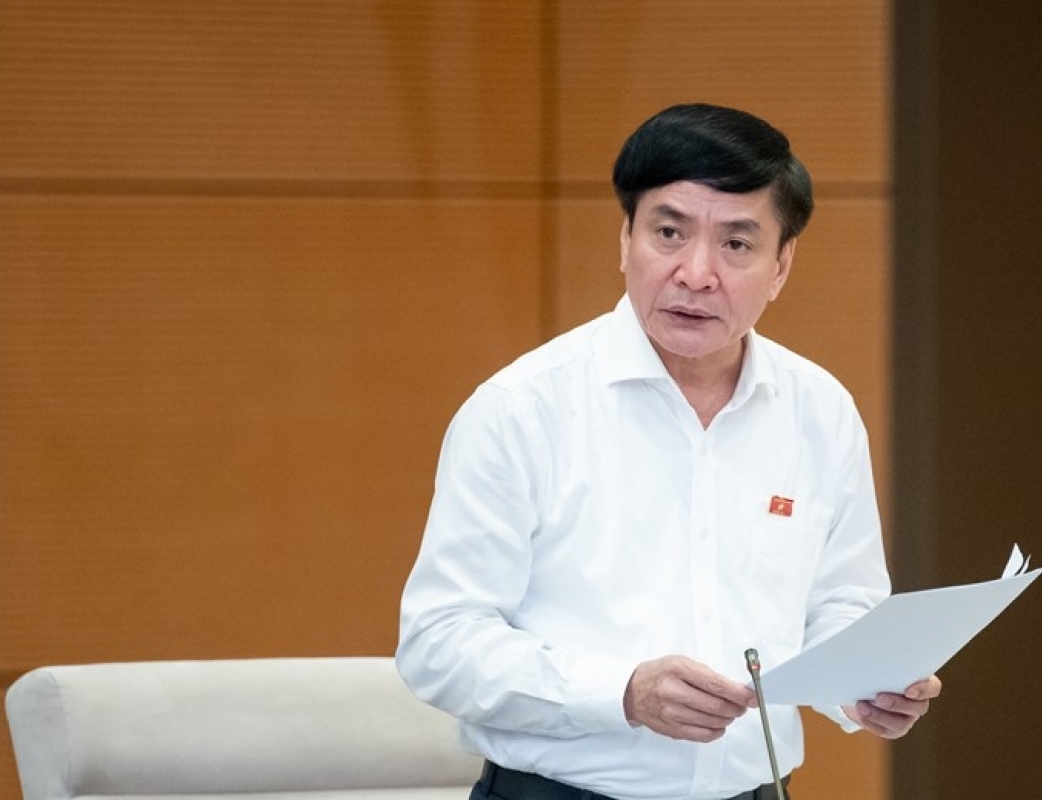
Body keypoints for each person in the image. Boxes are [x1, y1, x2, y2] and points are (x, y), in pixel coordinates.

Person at [397, 102, 940, 800]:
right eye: (669, 233)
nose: (696, 273)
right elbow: (440, 643)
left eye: (737, 244)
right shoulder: (521, 410)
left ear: (781, 266)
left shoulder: (820, 410)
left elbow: (841, 601)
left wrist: (867, 684)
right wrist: (622, 692)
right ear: (626, 240)